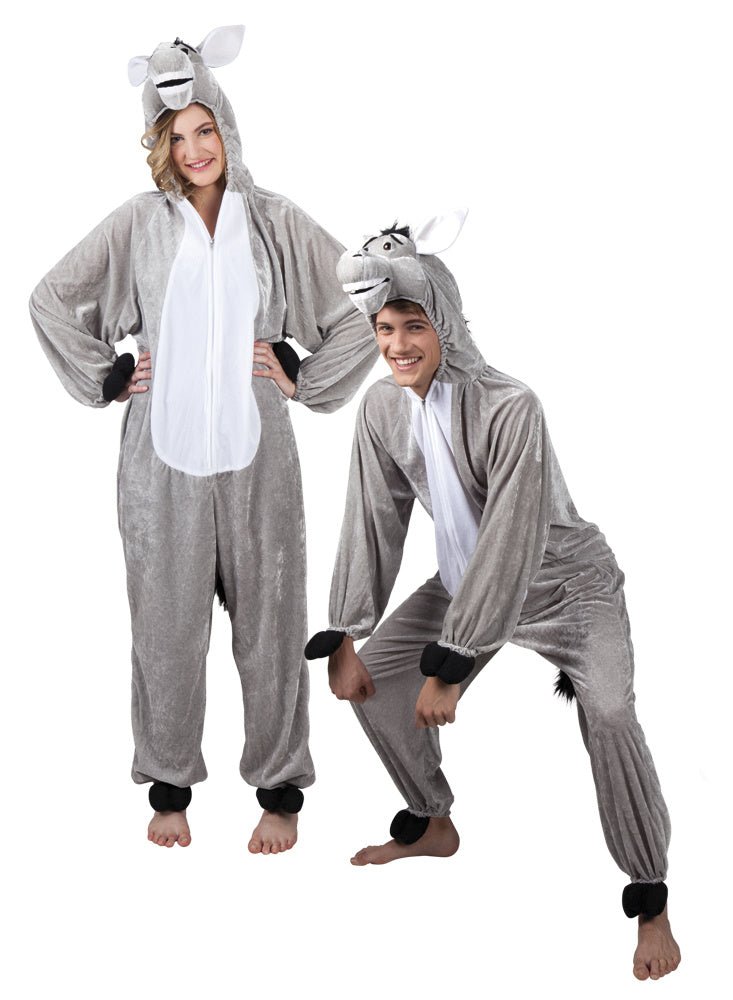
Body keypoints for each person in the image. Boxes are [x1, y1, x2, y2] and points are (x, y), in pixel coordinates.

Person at [305, 213, 681, 979]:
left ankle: (650, 902)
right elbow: (372, 519)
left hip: (564, 583)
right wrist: (344, 632)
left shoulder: (509, 406)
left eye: (412, 325)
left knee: (609, 713)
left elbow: (511, 540)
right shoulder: (381, 410)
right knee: (377, 686)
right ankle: (431, 822)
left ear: (442, 322)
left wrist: (452, 664)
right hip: (462, 583)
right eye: (383, 329)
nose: (396, 345)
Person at [29, 25, 377, 854]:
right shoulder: (138, 225)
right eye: (176, 135)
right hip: (160, 464)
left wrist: (303, 377)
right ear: (160, 143)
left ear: (224, 124)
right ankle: (169, 786)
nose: (193, 149)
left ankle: (279, 791)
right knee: (166, 629)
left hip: (260, 460)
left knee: (271, 625)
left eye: (203, 129)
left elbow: (365, 299)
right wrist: (110, 375)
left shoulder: (275, 222)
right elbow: (50, 299)